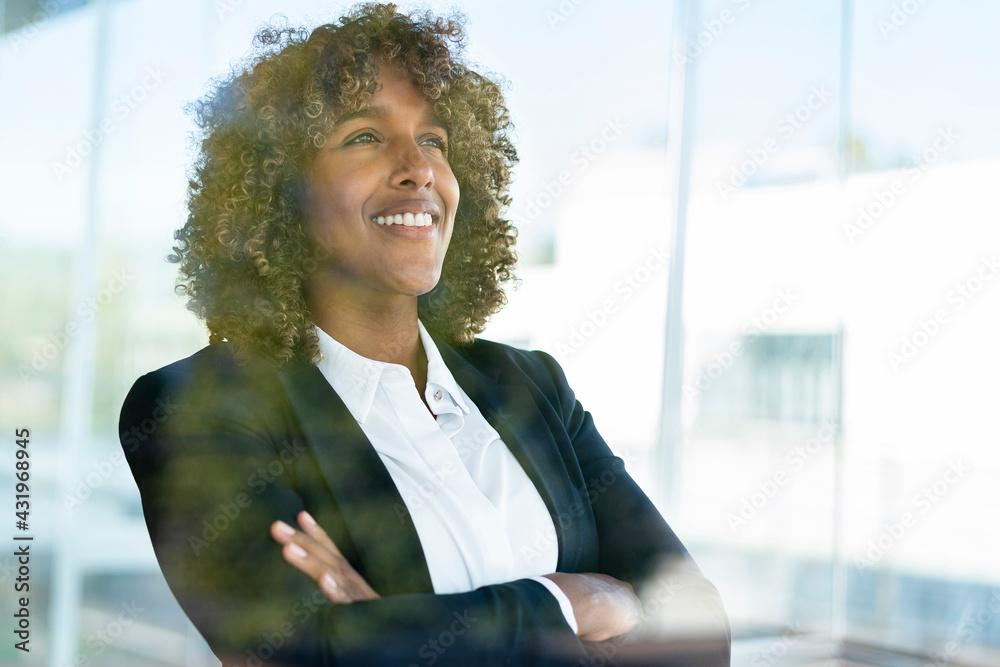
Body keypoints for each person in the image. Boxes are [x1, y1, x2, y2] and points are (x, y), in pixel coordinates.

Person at [118, 3, 731, 665]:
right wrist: (573, 602)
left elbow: (700, 630)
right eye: (364, 136)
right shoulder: (198, 406)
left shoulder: (530, 384)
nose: (419, 168)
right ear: (277, 188)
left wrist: (391, 628)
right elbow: (303, 654)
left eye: (435, 139)